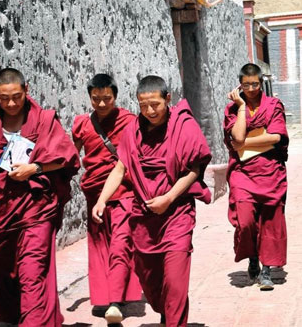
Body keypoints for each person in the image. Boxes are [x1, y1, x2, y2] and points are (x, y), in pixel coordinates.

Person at [93, 75, 212, 327]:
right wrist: (102, 199)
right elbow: (120, 168)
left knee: (176, 281)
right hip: (144, 216)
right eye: (143, 105)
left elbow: (194, 169)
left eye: (155, 105)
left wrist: (168, 198)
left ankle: (174, 319)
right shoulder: (133, 131)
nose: (149, 111)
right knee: (150, 279)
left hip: (176, 213)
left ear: (167, 99)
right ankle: (165, 311)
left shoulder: (183, 126)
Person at [0, 68, 80, 326]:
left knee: (32, 273)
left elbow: (66, 158)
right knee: (4, 271)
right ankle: (9, 318)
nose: (11, 103)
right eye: (5, 98)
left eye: (17, 97)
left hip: (37, 207)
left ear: (26, 90)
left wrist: (35, 168)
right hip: (1, 208)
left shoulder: (43, 120)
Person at [71, 74, 142, 324]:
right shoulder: (82, 124)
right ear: (90, 97)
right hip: (94, 191)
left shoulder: (130, 121)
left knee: (121, 243)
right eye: (96, 99)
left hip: (124, 191)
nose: (101, 104)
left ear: (116, 96)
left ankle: (115, 299)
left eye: (107, 99)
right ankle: (104, 297)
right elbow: (72, 155)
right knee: (100, 245)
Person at [222, 63, 289, 291]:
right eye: (246, 84)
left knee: (271, 220)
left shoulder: (273, 105)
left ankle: (267, 270)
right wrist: (241, 107)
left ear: (262, 83)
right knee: (246, 220)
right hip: (243, 172)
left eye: (255, 84)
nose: (250, 89)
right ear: (239, 84)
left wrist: (242, 143)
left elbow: (277, 137)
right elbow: (237, 134)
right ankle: (252, 256)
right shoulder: (232, 109)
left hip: (270, 171)